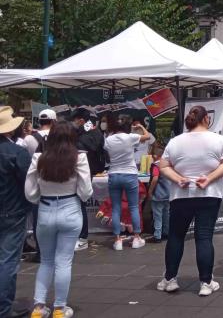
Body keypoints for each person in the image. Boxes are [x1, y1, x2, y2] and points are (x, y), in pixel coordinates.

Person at [158, 106, 223, 296]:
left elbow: (163, 166)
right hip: (209, 195)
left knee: (176, 236)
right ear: (207, 119)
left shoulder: (175, 142)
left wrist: (178, 179)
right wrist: (209, 178)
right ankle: (206, 282)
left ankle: (170, 279)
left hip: (181, 196)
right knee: (204, 237)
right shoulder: (218, 140)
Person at [25, 121, 92, 318]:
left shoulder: (39, 158)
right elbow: (86, 191)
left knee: (46, 261)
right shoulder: (79, 158)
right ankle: (60, 308)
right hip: (70, 209)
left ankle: (38, 307)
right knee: (63, 262)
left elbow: (29, 192)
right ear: (73, 138)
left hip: (45, 210)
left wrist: (41, 198)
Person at [0, 107, 32, 318]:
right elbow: (28, 183)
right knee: (8, 260)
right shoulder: (16, 152)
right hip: (12, 211)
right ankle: (3, 308)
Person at [103, 113, 150, 251]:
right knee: (134, 206)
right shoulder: (131, 137)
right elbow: (147, 136)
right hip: (129, 174)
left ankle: (117, 240)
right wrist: (141, 126)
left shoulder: (108, 139)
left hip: (114, 174)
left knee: (116, 207)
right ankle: (136, 237)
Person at [71, 108, 105, 252]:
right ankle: (80, 235)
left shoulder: (90, 133)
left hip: (85, 171)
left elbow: (89, 146)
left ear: (81, 120)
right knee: (78, 203)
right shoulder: (90, 131)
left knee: (80, 202)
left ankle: (82, 237)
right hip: (84, 171)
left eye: (74, 120)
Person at [147, 144, 170, 244]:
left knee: (157, 216)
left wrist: (150, 191)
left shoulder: (156, 166)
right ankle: (166, 232)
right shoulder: (168, 165)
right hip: (168, 194)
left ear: (155, 156)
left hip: (158, 195)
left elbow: (155, 178)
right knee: (166, 215)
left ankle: (157, 235)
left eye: (152, 155)